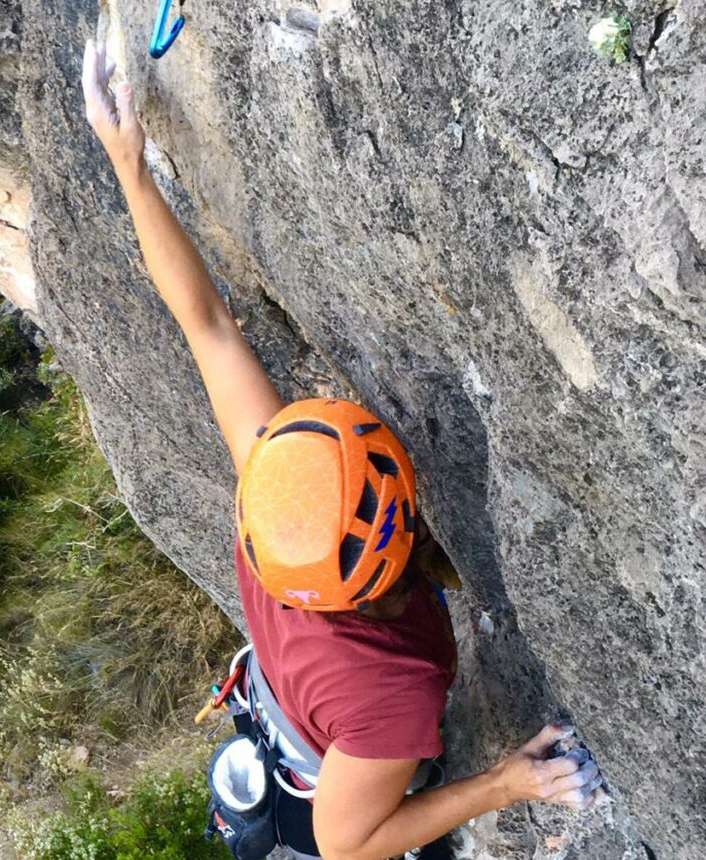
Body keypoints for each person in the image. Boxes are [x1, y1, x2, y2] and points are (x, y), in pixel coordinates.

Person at [80, 40, 602, 860]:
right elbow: (347, 844)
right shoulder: (393, 694)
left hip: (304, 714)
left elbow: (207, 327)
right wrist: (507, 784)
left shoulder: (282, 505)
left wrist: (128, 165)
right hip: (328, 794)